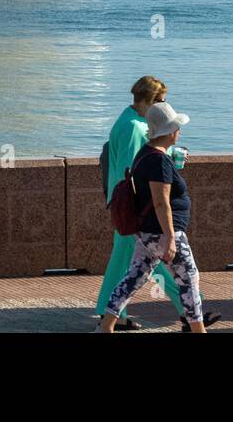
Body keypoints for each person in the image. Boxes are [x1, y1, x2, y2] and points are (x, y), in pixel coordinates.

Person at [97, 100, 208, 332]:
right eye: (177, 127)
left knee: (132, 280)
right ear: (170, 131)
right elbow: (161, 202)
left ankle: (106, 326)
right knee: (189, 280)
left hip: (146, 233)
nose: (179, 131)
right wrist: (169, 237)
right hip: (164, 232)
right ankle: (199, 330)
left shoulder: (144, 154)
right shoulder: (159, 161)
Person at [94, 77, 181, 330]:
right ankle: (191, 309)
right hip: (134, 208)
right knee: (158, 259)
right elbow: (133, 169)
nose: (164, 106)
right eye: (161, 101)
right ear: (148, 101)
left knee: (124, 262)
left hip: (125, 206)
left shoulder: (129, 120)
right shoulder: (133, 127)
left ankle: (108, 314)